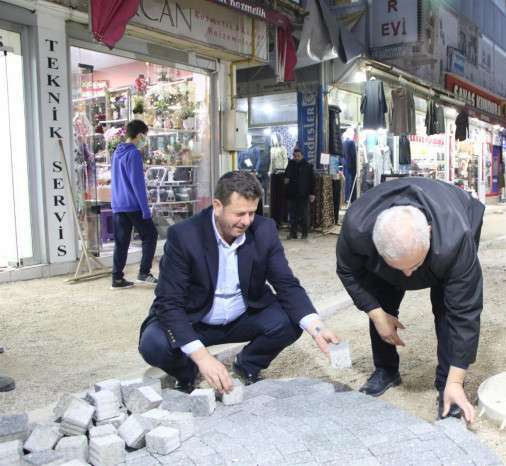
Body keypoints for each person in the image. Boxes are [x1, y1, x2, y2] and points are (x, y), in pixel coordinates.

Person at [139, 171, 339, 394]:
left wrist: (317, 328)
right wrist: (202, 357)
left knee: (294, 320)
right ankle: (187, 373)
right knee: (153, 344)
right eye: (239, 213)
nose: (247, 221)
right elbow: (169, 302)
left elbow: (286, 283)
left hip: (243, 316)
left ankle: (247, 365)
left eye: (252, 213)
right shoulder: (184, 236)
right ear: (217, 206)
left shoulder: (264, 230)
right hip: (194, 318)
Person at [336, 177, 484, 425]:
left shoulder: (456, 239)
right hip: (394, 248)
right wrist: (376, 313)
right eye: (399, 268)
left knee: (447, 309)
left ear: (429, 232)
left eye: (414, 266)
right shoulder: (357, 228)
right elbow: (347, 271)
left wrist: (457, 380)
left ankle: (447, 384)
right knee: (380, 295)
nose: (407, 276)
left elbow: (466, 312)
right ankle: (385, 369)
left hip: (451, 224)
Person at [111, 119, 158, 289]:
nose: (145, 139)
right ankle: (144, 273)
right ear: (139, 135)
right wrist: (145, 209)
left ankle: (117, 278)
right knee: (151, 235)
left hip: (118, 204)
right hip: (133, 204)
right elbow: (137, 184)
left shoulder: (116, 153)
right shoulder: (134, 154)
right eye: (145, 135)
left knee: (121, 242)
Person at [284, 148, 315, 239]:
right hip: (292, 194)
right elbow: (286, 177)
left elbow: (312, 181)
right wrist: (286, 180)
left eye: (298, 156)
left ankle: (305, 233)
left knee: (304, 215)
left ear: (302, 156)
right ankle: (293, 233)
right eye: (295, 156)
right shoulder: (290, 165)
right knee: (292, 215)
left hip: (304, 195)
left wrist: (312, 193)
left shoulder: (308, 166)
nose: (296, 158)